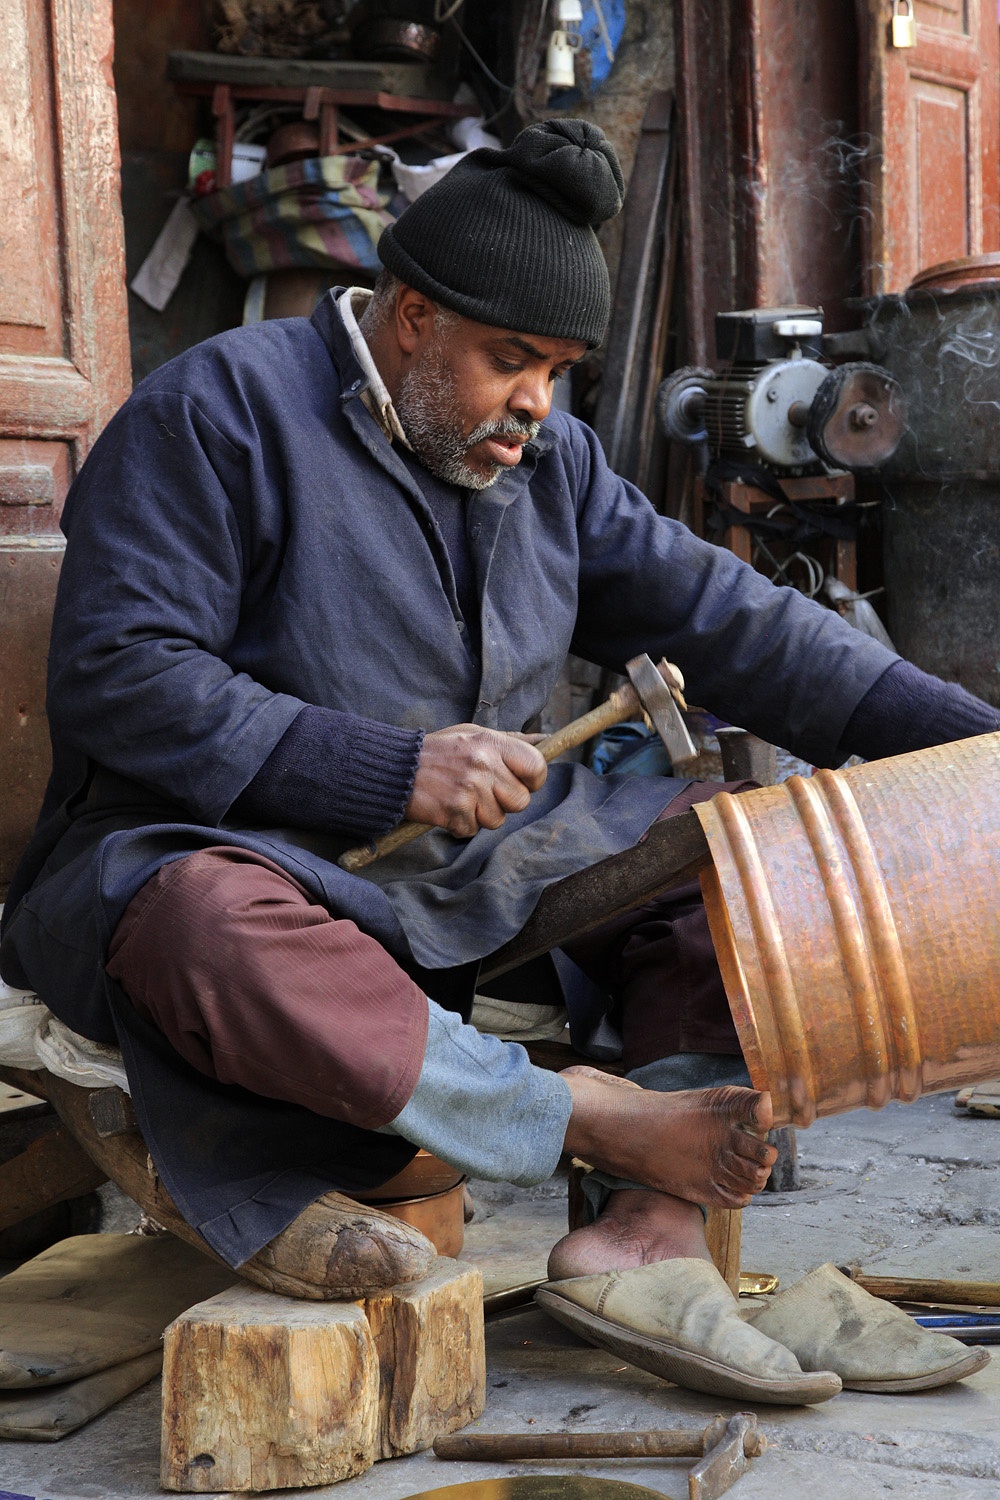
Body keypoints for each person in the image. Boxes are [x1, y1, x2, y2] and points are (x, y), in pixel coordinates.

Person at [2, 119, 996, 1405]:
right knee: (200, 917)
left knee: (727, 856)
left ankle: (644, 1232)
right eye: (508, 360)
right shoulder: (216, 413)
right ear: (410, 318)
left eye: (559, 369)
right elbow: (121, 673)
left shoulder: (554, 467)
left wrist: (973, 746)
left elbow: (743, 628)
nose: (535, 402)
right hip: (221, 851)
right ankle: (581, 1118)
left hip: (469, 875)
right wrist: (388, 768)